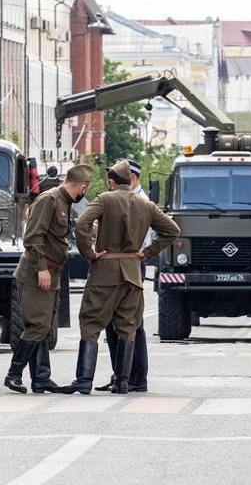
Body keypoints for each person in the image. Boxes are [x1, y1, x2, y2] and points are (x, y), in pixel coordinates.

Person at [60, 160, 180, 395]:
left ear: (111, 182)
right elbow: (173, 230)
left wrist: (89, 253)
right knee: (127, 326)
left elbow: (82, 223)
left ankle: (84, 380)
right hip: (133, 272)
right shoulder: (146, 205)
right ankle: (123, 381)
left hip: (104, 270)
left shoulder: (105, 198)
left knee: (91, 323)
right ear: (131, 180)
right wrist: (146, 252)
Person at [3, 164, 94, 394]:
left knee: (43, 326)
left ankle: (41, 377)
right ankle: (14, 374)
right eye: (86, 188)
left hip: (51, 272)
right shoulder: (50, 199)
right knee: (38, 325)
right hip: (37, 272)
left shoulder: (63, 202)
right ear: (83, 187)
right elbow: (33, 237)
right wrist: (42, 268)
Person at [96, 159, 151, 393]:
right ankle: (120, 374)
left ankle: (136, 377)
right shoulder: (122, 199)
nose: (111, 186)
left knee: (132, 323)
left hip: (131, 264)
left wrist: (143, 253)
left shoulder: (142, 202)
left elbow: (150, 238)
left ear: (132, 178)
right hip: (120, 263)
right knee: (113, 323)